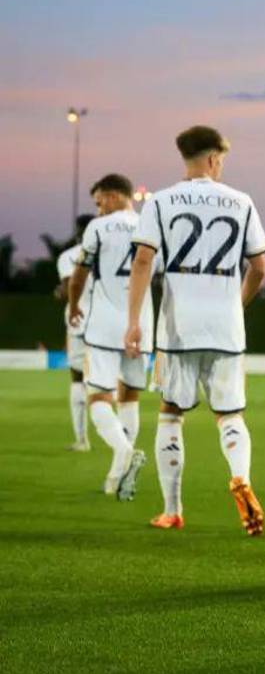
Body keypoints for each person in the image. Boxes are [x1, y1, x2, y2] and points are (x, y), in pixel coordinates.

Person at [124, 125, 265, 535]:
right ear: (212, 159)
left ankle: (172, 510)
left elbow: (143, 262)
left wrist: (134, 322)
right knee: (230, 414)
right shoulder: (241, 201)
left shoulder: (161, 201)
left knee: (171, 413)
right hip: (226, 327)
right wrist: (236, 304)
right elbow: (259, 268)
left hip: (178, 328)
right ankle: (240, 477)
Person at [67, 174, 152, 498]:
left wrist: (74, 304)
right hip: (140, 324)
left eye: (100, 200)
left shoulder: (98, 227)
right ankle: (120, 473)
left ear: (115, 195)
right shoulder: (150, 224)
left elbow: (78, 276)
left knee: (98, 397)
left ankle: (122, 450)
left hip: (104, 324)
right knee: (129, 396)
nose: (98, 208)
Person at [55, 213, 94, 452]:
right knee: (112, 380)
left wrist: (59, 292)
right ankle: (122, 438)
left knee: (78, 378)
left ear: (78, 231)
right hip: (107, 321)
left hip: (79, 319)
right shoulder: (110, 252)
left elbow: (70, 286)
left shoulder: (68, 256)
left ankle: (82, 440)